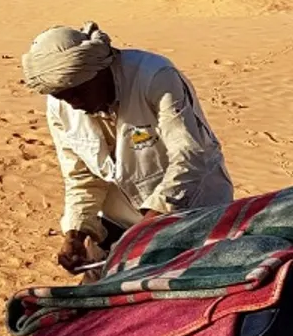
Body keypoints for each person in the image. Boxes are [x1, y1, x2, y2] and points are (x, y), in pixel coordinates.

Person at [20, 22, 234, 273]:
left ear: (100, 71)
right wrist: (76, 232)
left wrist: (151, 223)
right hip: (122, 226)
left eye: (78, 92)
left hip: (194, 213)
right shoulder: (61, 105)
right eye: (63, 97)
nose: (74, 103)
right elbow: (80, 177)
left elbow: (189, 155)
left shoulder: (155, 77)